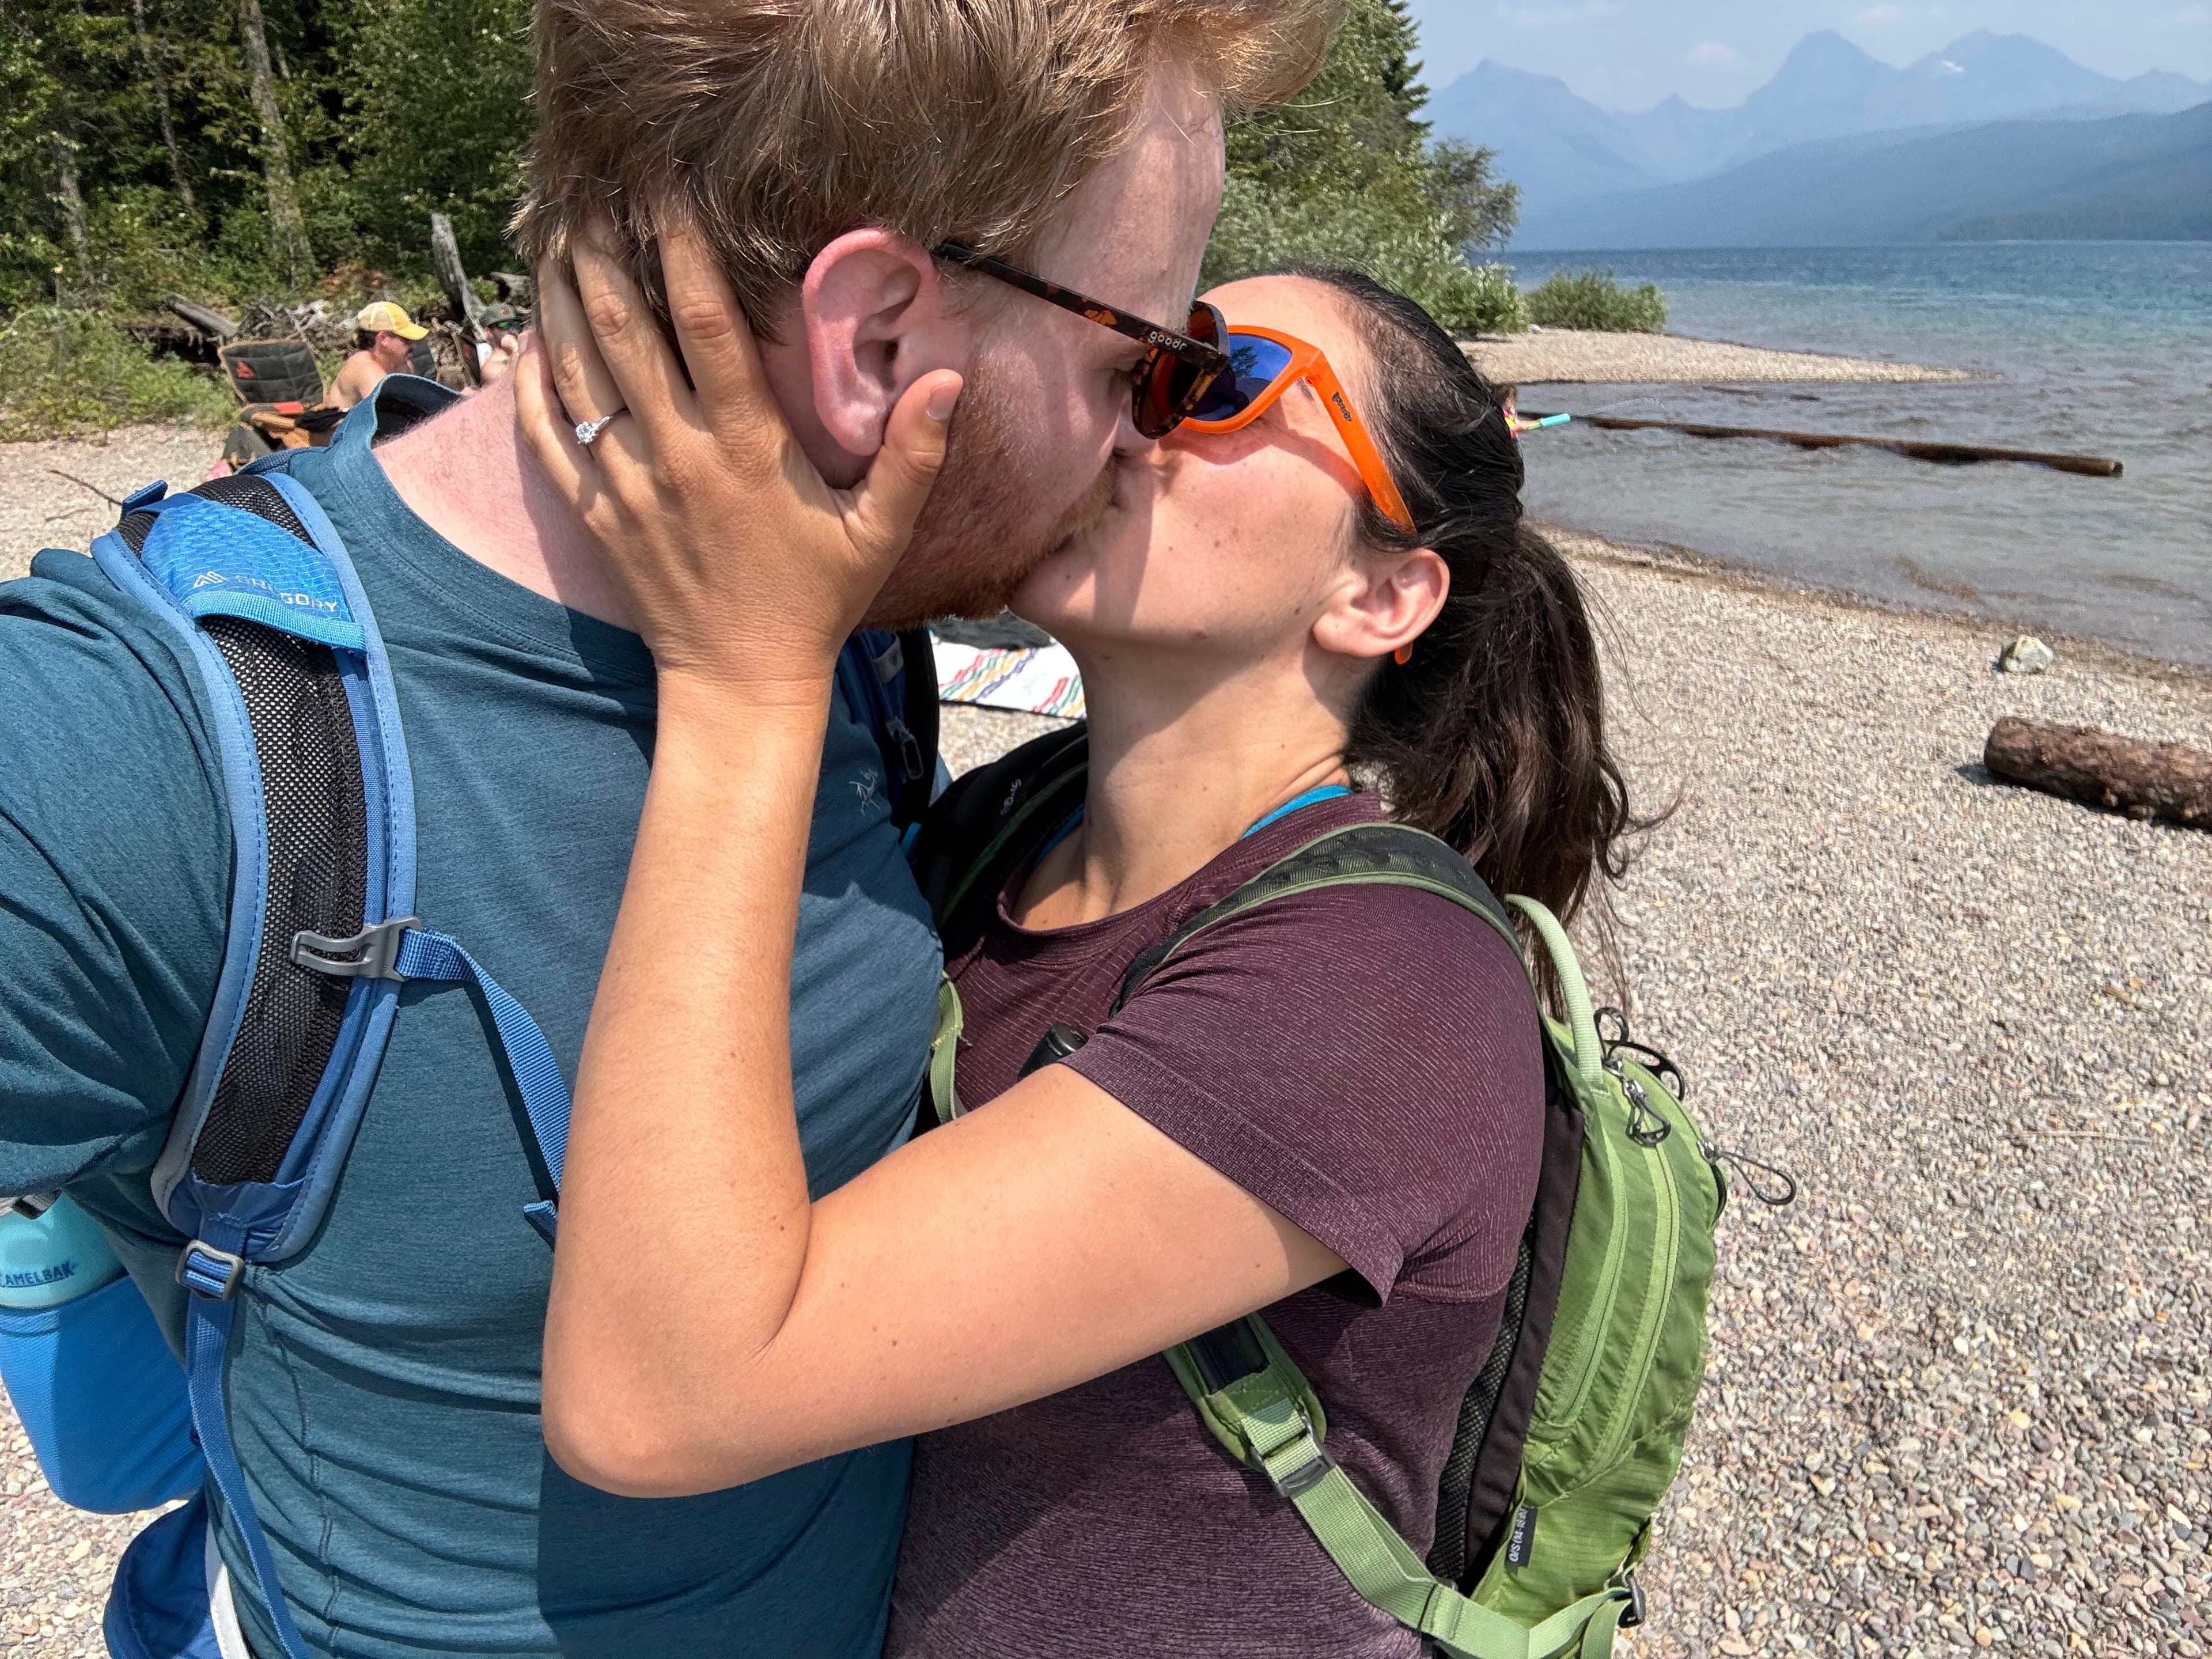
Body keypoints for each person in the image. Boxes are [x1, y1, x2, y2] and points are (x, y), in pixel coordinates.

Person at [0, 3, 1336, 1654]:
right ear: (871, 345)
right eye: (1140, 357)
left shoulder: (853, 633)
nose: (1152, 429)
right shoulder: (137, 747)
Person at [524, 228, 1642, 1654]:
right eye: (1133, 360)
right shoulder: (1004, 820)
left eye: (1214, 381)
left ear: (1379, 594)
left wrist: (746, 676)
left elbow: (660, 1395)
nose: (1128, 411)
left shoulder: (1380, 989)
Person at [328, 300, 429, 408]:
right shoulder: (364, 367)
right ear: (383, 339)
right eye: (406, 340)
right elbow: (387, 413)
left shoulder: (403, 366)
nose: (414, 346)